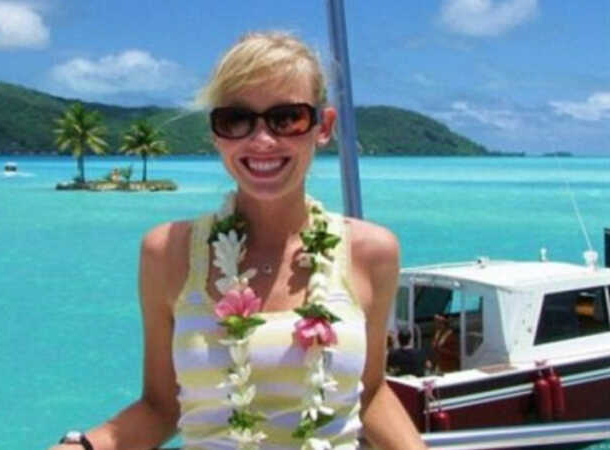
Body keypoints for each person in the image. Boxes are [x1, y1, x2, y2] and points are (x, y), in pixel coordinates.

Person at [50, 31, 426, 450]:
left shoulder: (371, 252)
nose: (262, 140)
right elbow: (161, 408)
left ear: (323, 128)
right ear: (216, 133)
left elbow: (370, 394)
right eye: (236, 120)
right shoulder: (168, 252)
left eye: (287, 119)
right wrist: (79, 447)